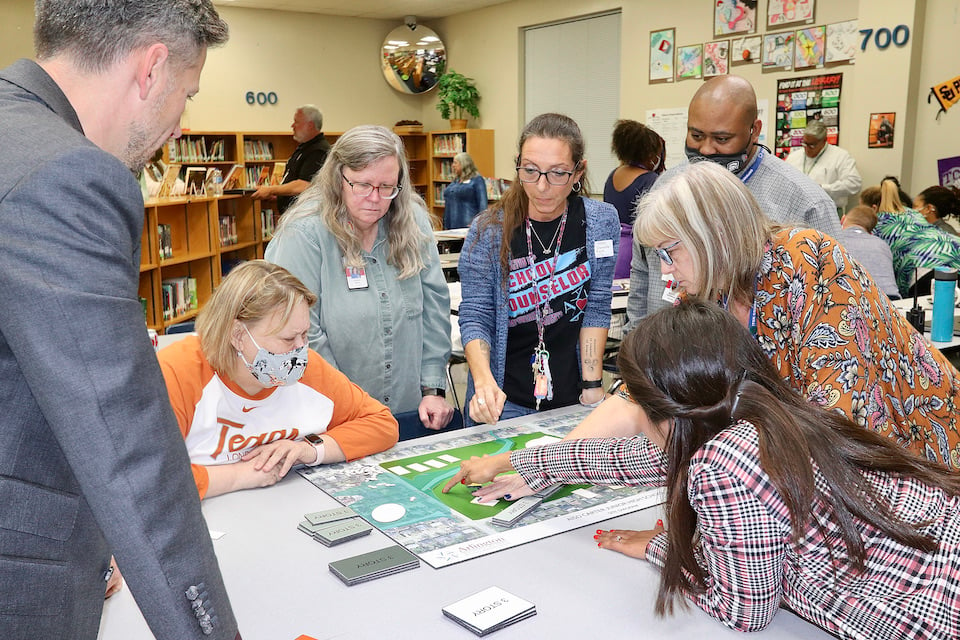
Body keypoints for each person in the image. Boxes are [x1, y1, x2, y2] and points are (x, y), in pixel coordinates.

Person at [444, 301, 960, 639]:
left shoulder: (722, 464)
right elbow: (634, 459)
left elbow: (745, 610)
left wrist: (663, 547)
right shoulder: (763, 413)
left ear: (666, 409)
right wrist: (517, 461)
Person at [0, 2, 240, 639]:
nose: (179, 123)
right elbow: (125, 439)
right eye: (186, 95)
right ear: (152, 67)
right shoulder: (68, 174)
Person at [265, 125, 455, 432]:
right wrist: (347, 404)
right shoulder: (303, 235)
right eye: (362, 185)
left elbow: (434, 305)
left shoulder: (411, 220)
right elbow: (300, 333)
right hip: (330, 415)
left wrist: (433, 389)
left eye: (387, 187)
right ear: (338, 177)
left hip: (407, 409)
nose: (375, 199)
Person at [158, 260, 399, 499]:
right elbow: (149, 480)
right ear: (237, 335)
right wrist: (239, 475)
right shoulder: (176, 372)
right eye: (288, 340)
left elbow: (381, 424)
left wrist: (309, 448)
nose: (300, 350)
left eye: (305, 335)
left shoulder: (306, 367)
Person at [627, 75, 842, 329]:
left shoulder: (805, 203)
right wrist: (635, 341)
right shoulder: (666, 186)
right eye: (696, 135)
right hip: (662, 351)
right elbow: (642, 269)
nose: (706, 149)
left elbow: (832, 303)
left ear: (754, 131)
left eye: (722, 139)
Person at [457, 113, 619, 425]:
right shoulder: (489, 229)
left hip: (572, 396)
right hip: (504, 400)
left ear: (578, 172)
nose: (542, 186)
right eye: (530, 171)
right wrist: (483, 382)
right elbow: (476, 313)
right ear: (518, 165)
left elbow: (596, 306)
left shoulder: (601, 221)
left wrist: (592, 386)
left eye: (558, 173)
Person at [865, 179, 960, 297]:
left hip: (923, 264)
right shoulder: (913, 214)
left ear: (873, 208)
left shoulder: (875, 223)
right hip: (955, 254)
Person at [603, 119, 665, 279]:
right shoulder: (651, 179)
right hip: (638, 251)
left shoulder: (613, 175)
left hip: (611, 249)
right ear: (648, 152)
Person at [252, 104, 331, 214]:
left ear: (310, 125)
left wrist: (271, 189)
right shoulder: (304, 147)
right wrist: (278, 196)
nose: (292, 125)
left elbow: (304, 185)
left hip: (305, 217)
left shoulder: (319, 151)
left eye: (296, 122)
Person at [785, 120, 862, 213]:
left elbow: (854, 184)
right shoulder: (793, 157)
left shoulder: (841, 156)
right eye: (804, 143)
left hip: (829, 211)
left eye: (812, 145)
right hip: (797, 211)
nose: (807, 148)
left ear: (824, 141)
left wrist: (824, 189)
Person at [834, 205, 901, 299]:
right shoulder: (882, 245)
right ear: (870, 231)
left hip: (854, 299)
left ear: (842, 219)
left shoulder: (834, 241)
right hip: (890, 299)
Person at [442, 151, 488, 229]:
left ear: (464, 164)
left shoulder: (477, 180)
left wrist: (480, 225)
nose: (453, 166)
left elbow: (483, 205)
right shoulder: (455, 181)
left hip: (467, 226)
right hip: (450, 226)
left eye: (455, 163)